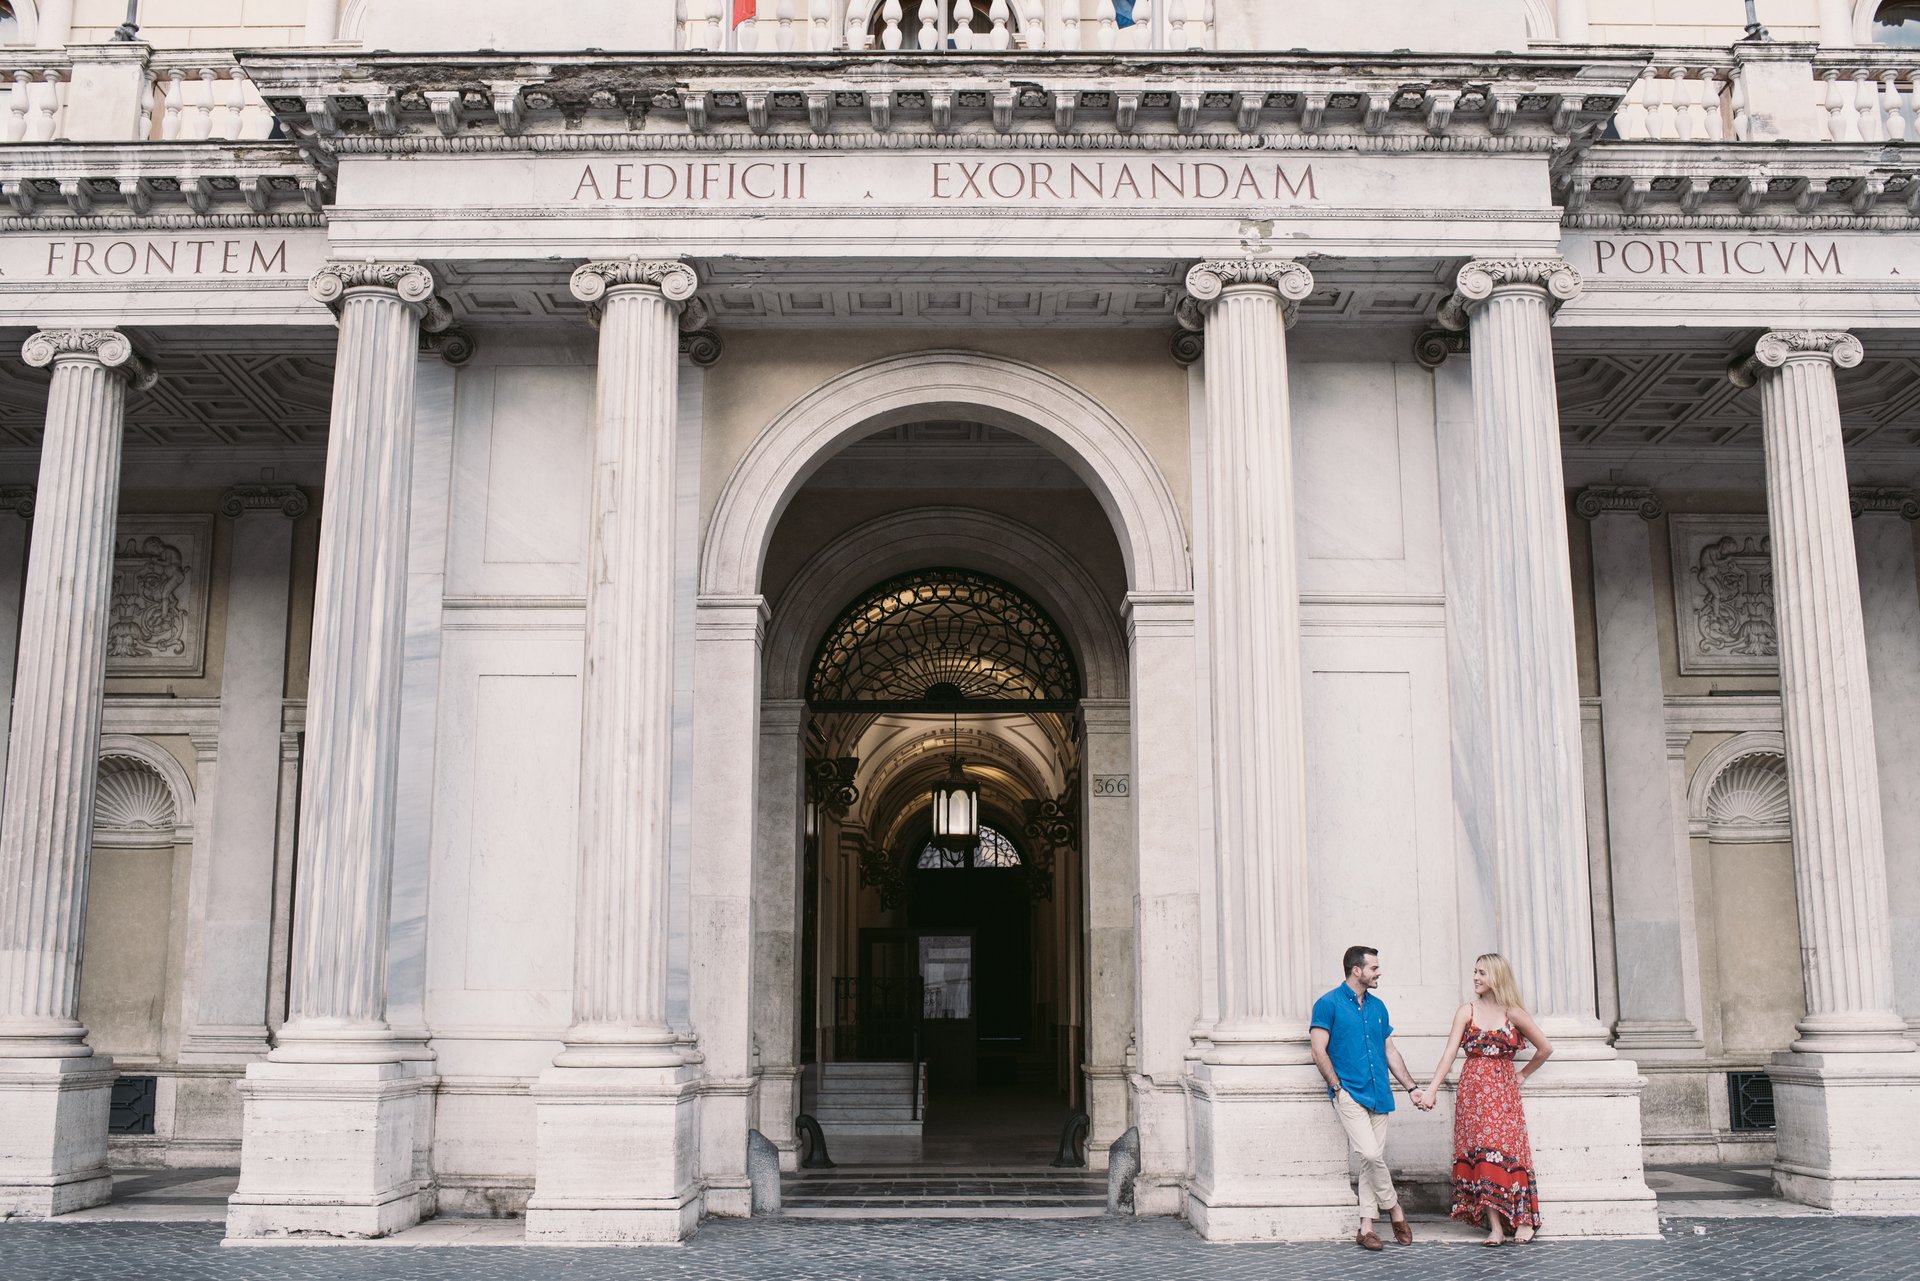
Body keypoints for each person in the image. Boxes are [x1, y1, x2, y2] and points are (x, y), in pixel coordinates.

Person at [1412, 952, 1553, 1247]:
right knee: (1482, 1156)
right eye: (1475, 972)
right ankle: (1496, 1227)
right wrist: (1432, 1089)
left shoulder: (1513, 1013)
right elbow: (1449, 1053)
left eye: (1482, 973)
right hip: (1473, 1093)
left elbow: (1545, 1048)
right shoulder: (1467, 1011)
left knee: (1508, 1153)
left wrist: (1523, 1074)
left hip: (1502, 1093)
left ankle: (1524, 1220)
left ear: (1496, 977)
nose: (1475, 977)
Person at [1310, 945, 1429, 1252]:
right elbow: (1318, 1050)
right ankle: (1395, 1209)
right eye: (1374, 968)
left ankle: (1366, 1228)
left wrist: (1412, 1088)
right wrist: (1337, 1088)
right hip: (1349, 1092)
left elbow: (1390, 1051)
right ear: (1357, 970)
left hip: (1380, 1094)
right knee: (1372, 1155)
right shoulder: (1328, 1004)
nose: (1379, 973)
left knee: (1368, 1162)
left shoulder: (1378, 1007)